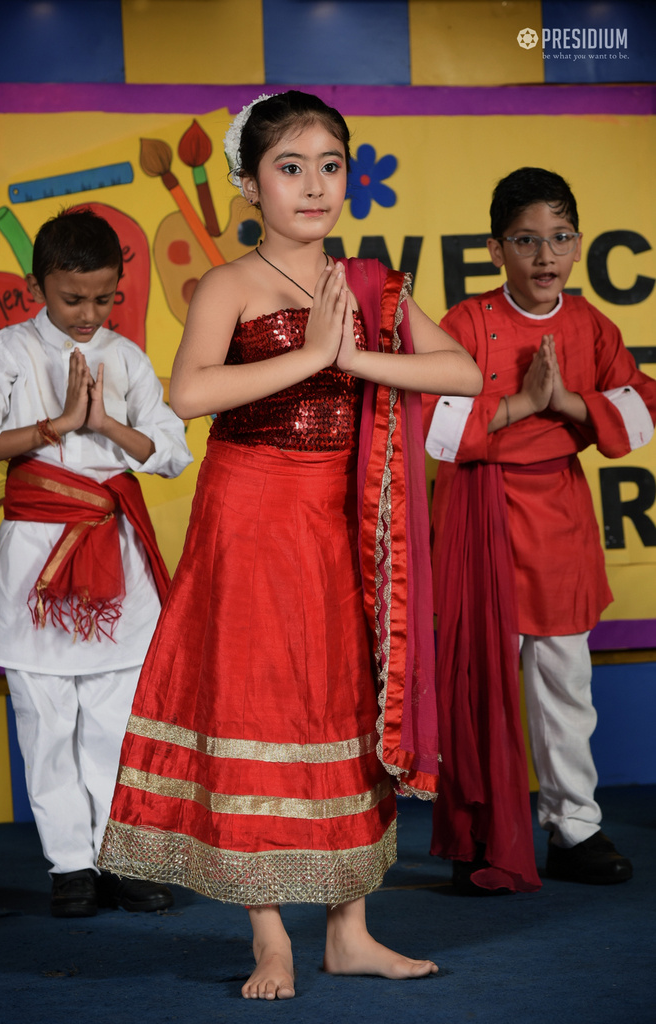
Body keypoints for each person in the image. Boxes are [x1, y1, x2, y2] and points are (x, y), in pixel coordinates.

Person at [98, 90, 482, 999]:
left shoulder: (370, 287)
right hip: (251, 514)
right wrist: (310, 357)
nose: (314, 185)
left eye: (330, 165)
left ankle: (349, 931)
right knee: (257, 702)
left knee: (346, 704)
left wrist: (349, 357)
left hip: (343, 523)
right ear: (247, 184)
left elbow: (462, 370)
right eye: (290, 166)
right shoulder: (231, 283)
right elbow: (189, 394)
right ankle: (269, 935)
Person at [424, 166, 656, 896]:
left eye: (558, 238)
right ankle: (481, 832)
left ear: (579, 244)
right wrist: (526, 405)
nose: (544, 256)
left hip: (555, 516)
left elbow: (639, 402)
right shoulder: (463, 324)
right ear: (496, 249)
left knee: (564, 681)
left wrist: (568, 401)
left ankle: (574, 827)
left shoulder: (590, 325)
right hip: (479, 515)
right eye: (526, 240)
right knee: (477, 686)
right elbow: (434, 425)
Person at [0, 209, 193, 917]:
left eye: (104, 298)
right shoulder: (3, 353)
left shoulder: (125, 359)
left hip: (115, 559)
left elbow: (171, 451)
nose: (88, 313)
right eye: (73, 299)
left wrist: (102, 424)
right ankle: (70, 865)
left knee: (113, 721)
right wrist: (56, 428)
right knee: (46, 720)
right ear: (41, 285)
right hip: (37, 561)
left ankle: (119, 856)